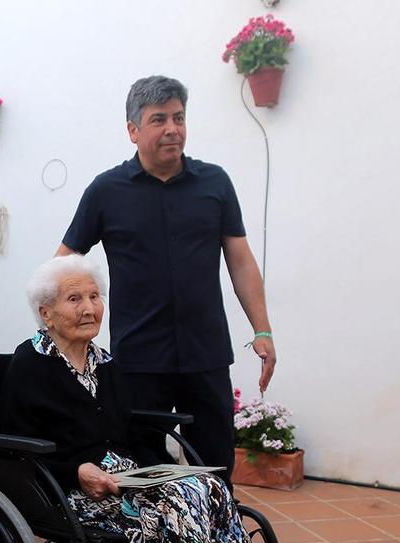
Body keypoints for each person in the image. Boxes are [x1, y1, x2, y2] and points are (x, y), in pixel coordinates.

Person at [0, 256, 340, 543]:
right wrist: (79, 471)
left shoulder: (105, 363)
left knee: (211, 489)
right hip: (68, 491)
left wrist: (161, 471)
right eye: (75, 299)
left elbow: (131, 434)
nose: (89, 308)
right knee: (180, 504)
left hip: (125, 480)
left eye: (94, 296)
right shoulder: (30, 365)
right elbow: (23, 447)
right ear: (46, 312)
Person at [57, 75, 274, 481]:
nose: (173, 129)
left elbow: (241, 261)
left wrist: (263, 330)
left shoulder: (215, 183)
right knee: (141, 470)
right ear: (133, 130)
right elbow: (65, 262)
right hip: (138, 359)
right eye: (159, 119)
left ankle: (217, 542)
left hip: (205, 356)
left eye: (179, 117)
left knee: (216, 468)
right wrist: (68, 325)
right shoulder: (106, 191)